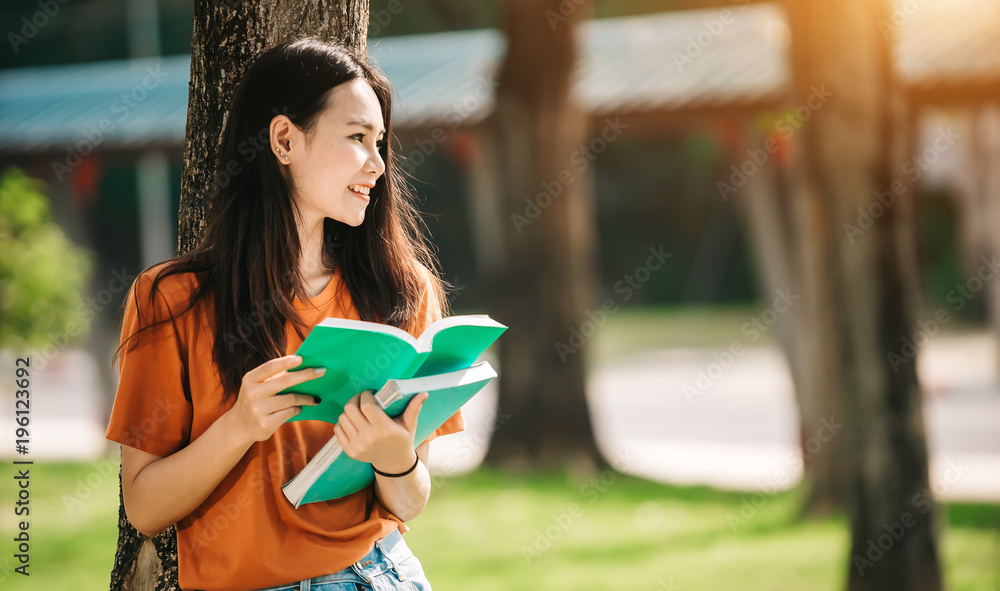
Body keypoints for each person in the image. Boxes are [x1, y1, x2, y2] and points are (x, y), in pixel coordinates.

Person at [105, 37, 462, 591]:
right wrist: (239, 426)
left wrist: (396, 458)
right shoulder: (172, 299)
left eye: (380, 143)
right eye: (357, 138)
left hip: (380, 574)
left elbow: (409, 504)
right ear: (284, 139)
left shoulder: (401, 291)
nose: (377, 164)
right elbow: (145, 509)